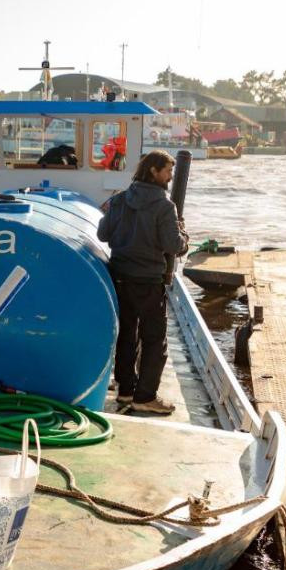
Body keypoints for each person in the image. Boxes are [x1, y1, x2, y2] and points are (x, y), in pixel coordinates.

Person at [96, 150, 189, 414]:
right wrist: (183, 234)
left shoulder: (120, 200)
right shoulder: (164, 206)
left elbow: (103, 234)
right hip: (148, 281)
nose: (171, 176)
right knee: (154, 340)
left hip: (120, 277)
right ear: (153, 171)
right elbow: (174, 246)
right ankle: (145, 396)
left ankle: (125, 391)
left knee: (127, 335)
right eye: (167, 171)